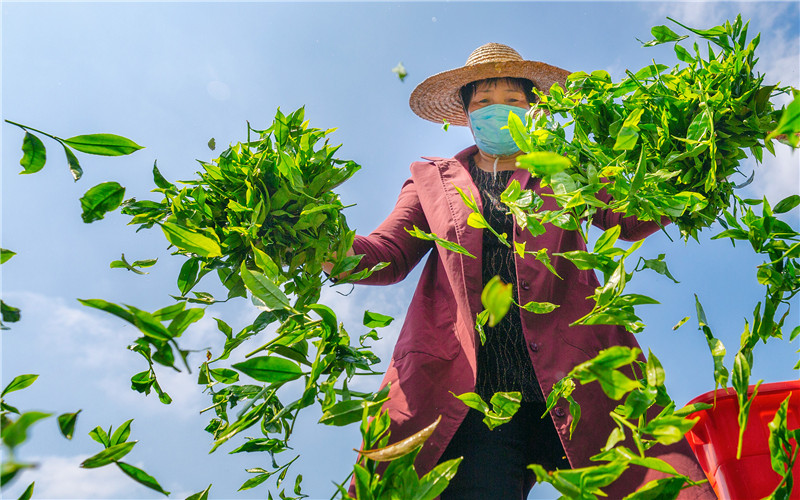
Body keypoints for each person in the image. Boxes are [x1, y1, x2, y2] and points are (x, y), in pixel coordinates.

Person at [331, 43, 715, 499]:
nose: (500, 111)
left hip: (579, 377)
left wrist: (694, 164)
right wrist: (318, 243)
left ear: (534, 111)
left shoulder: (564, 165)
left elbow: (628, 219)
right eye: (485, 102)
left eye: (514, 101)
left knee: (660, 487)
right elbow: (387, 252)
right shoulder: (431, 177)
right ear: (467, 115)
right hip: (477, 398)